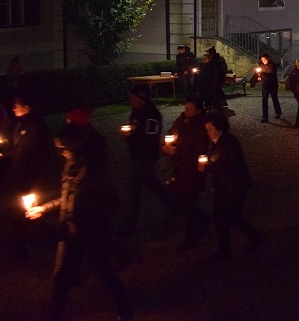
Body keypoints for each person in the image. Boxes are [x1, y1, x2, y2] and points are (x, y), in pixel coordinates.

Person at [27, 121, 133, 321]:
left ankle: (126, 309)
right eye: (58, 148)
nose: (60, 152)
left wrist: (90, 224)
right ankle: (55, 314)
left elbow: (111, 202)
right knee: (61, 276)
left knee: (104, 271)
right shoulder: (71, 165)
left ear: (77, 143)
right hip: (70, 232)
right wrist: (44, 208)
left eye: (63, 147)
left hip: (90, 233)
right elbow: (67, 198)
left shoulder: (94, 169)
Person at [203, 112, 264, 259]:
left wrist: (208, 167)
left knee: (231, 217)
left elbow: (229, 166)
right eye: (206, 129)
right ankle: (226, 249)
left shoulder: (229, 143)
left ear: (219, 128)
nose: (208, 132)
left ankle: (256, 238)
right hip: (223, 186)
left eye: (210, 129)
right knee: (221, 218)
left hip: (234, 187)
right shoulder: (216, 141)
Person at [117, 85, 177, 235]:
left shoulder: (151, 115)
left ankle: (129, 223)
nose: (130, 99)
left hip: (145, 157)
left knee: (133, 189)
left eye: (133, 96)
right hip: (138, 155)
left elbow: (149, 137)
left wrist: (131, 136)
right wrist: (129, 135)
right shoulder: (136, 112)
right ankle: (172, 206)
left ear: (141, 98)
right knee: (152, 183)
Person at [2, 94, 55, 262]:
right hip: (18, 178)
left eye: (17, 104)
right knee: (18, 214)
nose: (13, 107)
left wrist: (32, 179)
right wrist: (4, 154)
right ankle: (22, 250)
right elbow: (19, 150)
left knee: (24, 214)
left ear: (27, 107)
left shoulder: (35, 126)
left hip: (26, 180)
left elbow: (39, 156)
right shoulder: (22, 124)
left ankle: (26, 250)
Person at [162, 99, 211, 251]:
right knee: (181, 200)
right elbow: (171, 134)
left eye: (190, 108)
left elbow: (199, 150)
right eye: (185, 108)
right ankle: (204, 220)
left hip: (193, 170)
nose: (186, 111)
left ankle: (191, 238)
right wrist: (167, 144)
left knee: (188, 201)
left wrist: (176, 152)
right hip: (179, 168)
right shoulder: (181, 121)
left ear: (198, 110)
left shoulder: (202, 125)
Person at [257, 53, 282, 123]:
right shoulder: (260, 64)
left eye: (264, 59)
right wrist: (258, 76)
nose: (263, 61)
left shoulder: (272, 65)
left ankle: (278, 112)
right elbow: (258, 72)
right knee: (264, 100)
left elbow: (271, 74)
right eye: (262, 59)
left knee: (274, 99)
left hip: (273, 85)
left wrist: (262, 73)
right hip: (265, 85)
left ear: (268, 59)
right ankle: (265, 117)